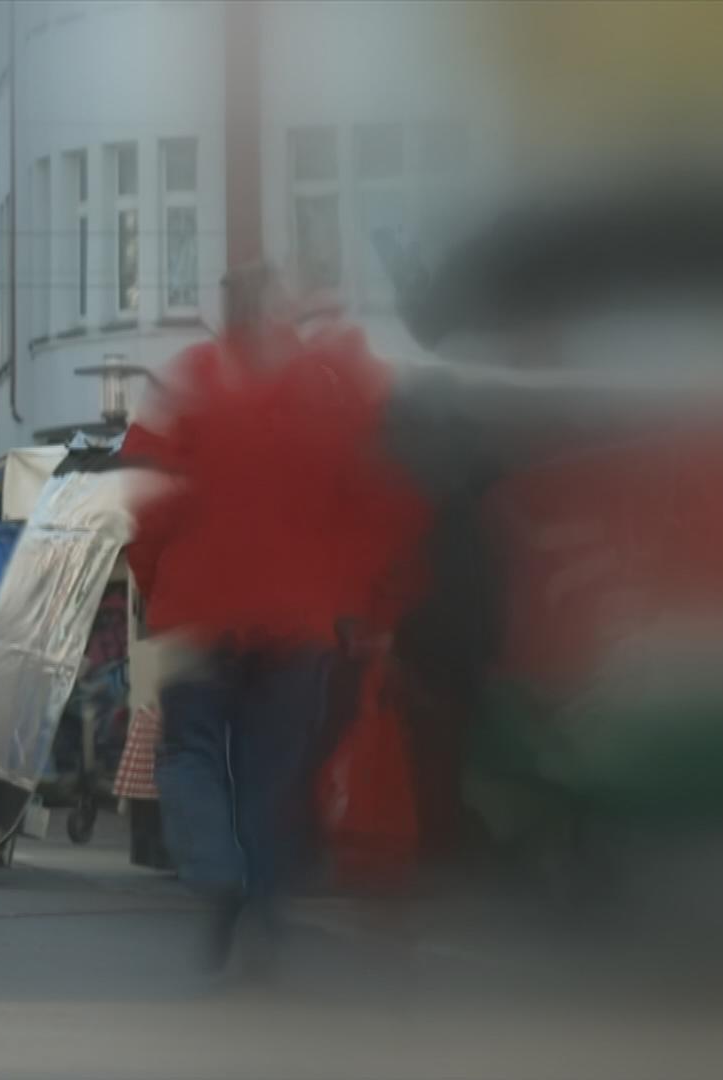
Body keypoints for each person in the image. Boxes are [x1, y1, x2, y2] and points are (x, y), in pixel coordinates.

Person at [122, 266, 430, 973]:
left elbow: (146, 495)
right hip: (300, 623)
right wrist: (366, 606)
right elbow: (381, 505)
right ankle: (264, 907)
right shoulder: (331, 390)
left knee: (192, 752)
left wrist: (155, 586)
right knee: (272, 773)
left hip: (200, 614)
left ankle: (217, 870)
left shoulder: (192, 378)